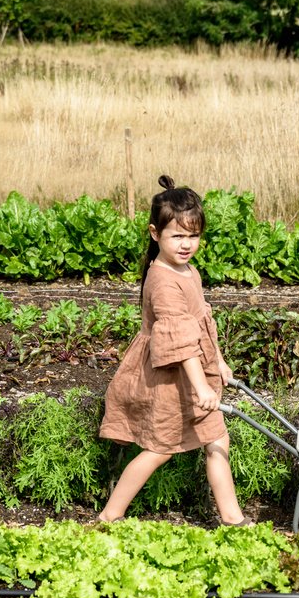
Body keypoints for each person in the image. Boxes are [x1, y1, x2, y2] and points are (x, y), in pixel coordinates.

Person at [97, 176, 248, 525]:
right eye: (177, 236)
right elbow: (179, 344)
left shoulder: (187, 270)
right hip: (170, 379)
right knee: (159, 449)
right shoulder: (163, 280)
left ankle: (232, 519)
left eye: (192, 236)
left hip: (196, 373)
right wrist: (202, 389)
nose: (186, 244)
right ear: (155, 233)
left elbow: (201, 323)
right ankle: (110, 515)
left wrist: (220, 364)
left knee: (216, 440)